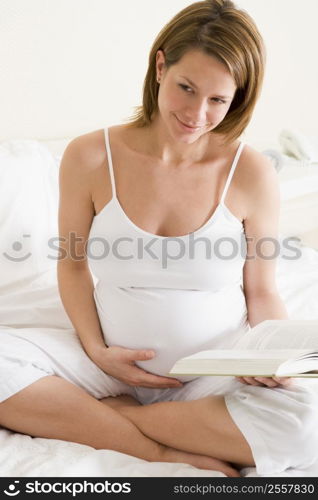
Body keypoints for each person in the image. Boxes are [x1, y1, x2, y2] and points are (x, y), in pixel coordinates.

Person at [1, 0, 317, 478]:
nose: (195, 114)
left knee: (306, 425)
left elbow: (263, 290)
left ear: (238, 98)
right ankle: (158, 450)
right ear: (160, 65)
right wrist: (97, 351)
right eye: (185, 88)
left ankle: (124, 417)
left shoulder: (250, 171)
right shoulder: (89, 156)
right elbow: (71, 266)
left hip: (210, 376)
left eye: (217, 100)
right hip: (105, 361)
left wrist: (269, 354)